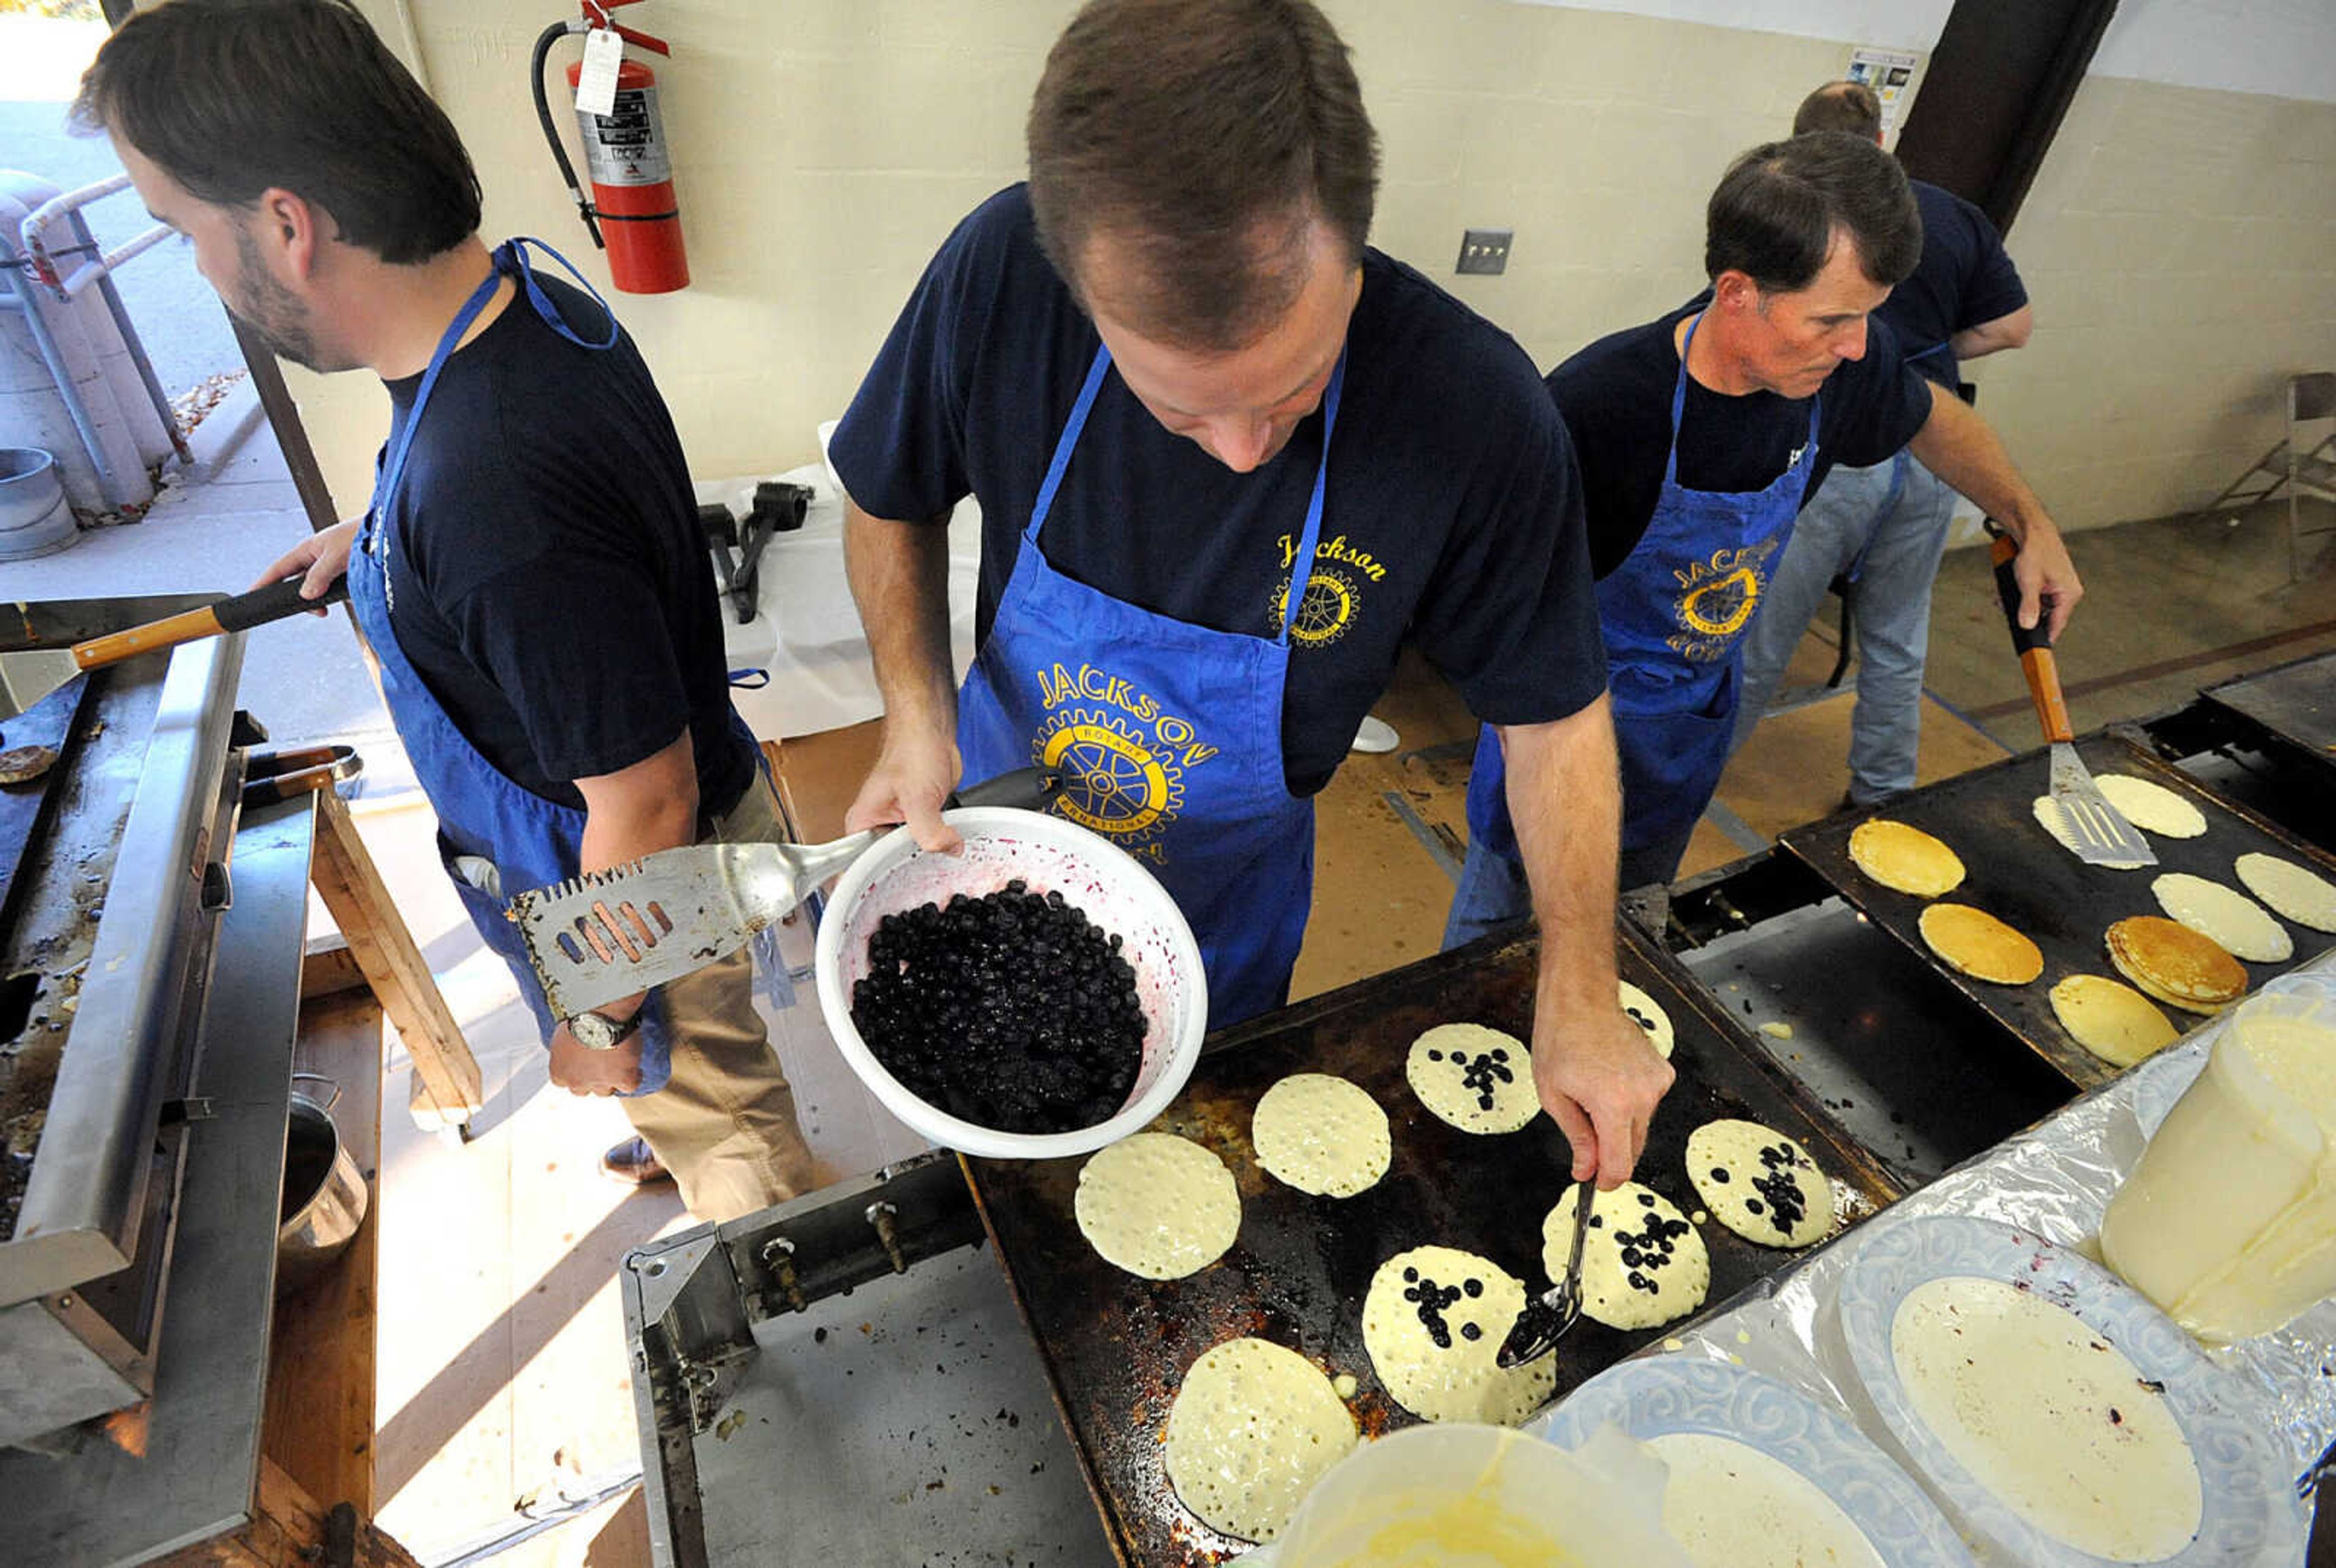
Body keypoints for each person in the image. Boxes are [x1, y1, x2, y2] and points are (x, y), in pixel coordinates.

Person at [828, 0, 1672, 1186]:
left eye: (1289, 390)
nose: (1238, 450)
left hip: (1227, 899)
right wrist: (913, 712)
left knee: (1188, 1166)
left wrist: (1580, 980)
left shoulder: (1473, 412)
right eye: (1180, 408)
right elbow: (887, 496)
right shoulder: (999, 276)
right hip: (984, 829)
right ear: (1075, 285)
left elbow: (1551, 711)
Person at [77, 0, 814, 1222]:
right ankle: (677, 1113)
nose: (199, 273)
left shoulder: (494, 495)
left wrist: (599, 1016)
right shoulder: (508, 307)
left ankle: (759, 1209)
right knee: (686, 1088)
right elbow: (518, 539)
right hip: (609, 861)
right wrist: (379, 552)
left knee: (734, 1135)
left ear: (285, 225)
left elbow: (648, 802)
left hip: (641, 889)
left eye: (183, 234)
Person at [1445, 132, 2080, 943]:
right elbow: (1495, 628)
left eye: (1866, 319)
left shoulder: (1844, 367)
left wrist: (2033, 522)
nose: (1856, 345)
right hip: (1555, 731)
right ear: (1736, 291)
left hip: (1684, 730)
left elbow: (1934, 418)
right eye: (1832, 320)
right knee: (1495, 939)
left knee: (1635, 926)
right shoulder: (1596, 411)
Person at [1731, 82, 2034, 807]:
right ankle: (1883, 789)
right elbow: (2010, 326)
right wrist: (1929, 353)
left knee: (1764, 630)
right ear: (1879, 146)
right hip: (1930, 454)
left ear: (1802, 148)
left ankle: (1683, 777)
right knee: (1898, 635)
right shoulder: (1954, 215)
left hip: (1842, 453)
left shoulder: (1805, 222)